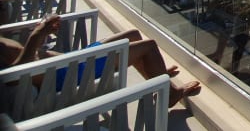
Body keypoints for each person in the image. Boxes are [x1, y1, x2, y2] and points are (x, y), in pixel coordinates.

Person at [0, 15, 201, 107]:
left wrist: (38, 36)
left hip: (74, 61)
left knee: (133, 35)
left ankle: (156, 73)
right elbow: (11, 79)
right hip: (73, 73)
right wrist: (37, 36)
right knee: (149, 46)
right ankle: (171, 94)